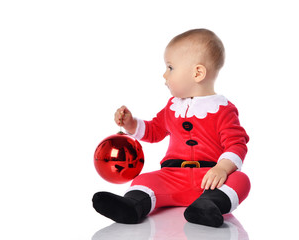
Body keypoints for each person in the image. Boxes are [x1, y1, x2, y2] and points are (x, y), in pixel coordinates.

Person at [92, 28, 250, 227]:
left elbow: (237, 145)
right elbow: (154, 131)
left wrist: (222, 168)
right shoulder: (172, 107)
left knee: (240, 180)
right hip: (172, 176)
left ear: (198, 73)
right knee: (147, 179)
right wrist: (131, 124)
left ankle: (209, 205)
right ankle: (132, 206)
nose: (164, 75)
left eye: (170, 68)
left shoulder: (223, 110)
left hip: (210, 179)